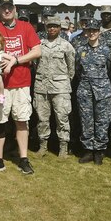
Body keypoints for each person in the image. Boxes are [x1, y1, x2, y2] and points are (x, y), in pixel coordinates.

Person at [0, 0, 41, 175]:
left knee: (22, 120)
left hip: (21, 83)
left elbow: (37, 51)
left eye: (9, 7)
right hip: (0, 86)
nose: (7, 10)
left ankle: (23, 159)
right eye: (3, 7)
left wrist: (16, 60)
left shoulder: (26, 27)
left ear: (15, 9)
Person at [33, 16, 76, 158]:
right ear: (46, 28)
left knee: (62, 118)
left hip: (60, 88)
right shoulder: (39, 44)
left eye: (55, 26)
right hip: (41, 87)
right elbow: (35, 64)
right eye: (49, 26)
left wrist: (62, 80)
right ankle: (43, 145)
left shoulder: (66, 46)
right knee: (42, 118)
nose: (52, 28)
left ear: (59, 28)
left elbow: (71, 68)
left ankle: (63, 147)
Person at [75, 19, 111, 166]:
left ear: (99, 32)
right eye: (89, 30)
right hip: (85, 90)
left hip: (102, 90)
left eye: (94, 30)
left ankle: (99, 150)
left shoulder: (106, 50)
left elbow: (110, 70)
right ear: (85, 31)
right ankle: (88, 150)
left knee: (102, 120)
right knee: (86, 121)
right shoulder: (80, 50)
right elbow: (78, 70)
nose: (91, 33)